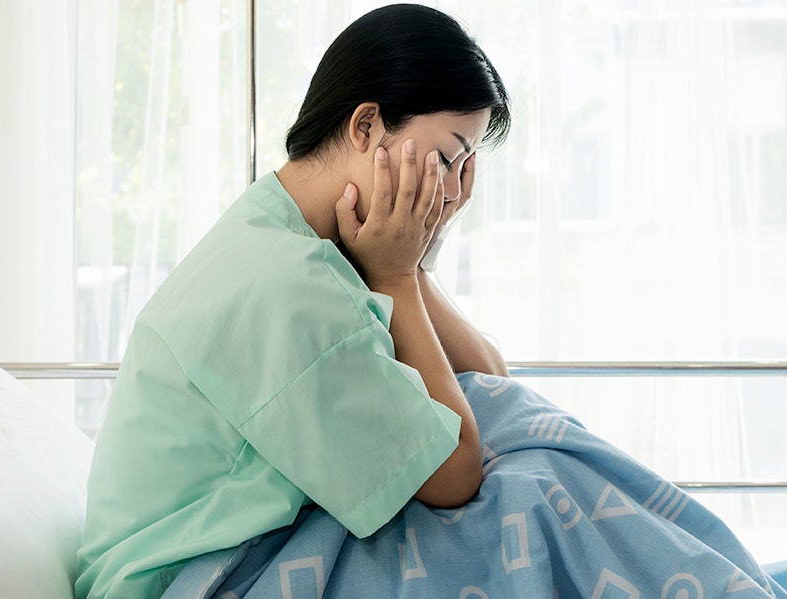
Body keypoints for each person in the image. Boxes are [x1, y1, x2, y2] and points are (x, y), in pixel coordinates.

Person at [75, 5, 512, 597]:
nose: (454, 189)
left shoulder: (300, 232)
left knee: (530, 466)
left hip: (224, 552)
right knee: (523, 503)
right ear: (366, 127)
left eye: (464, 167)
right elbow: (457, 473)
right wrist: (398, 274)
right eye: (446, 158)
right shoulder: (286, 280)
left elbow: (493, 388)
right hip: (188, 578)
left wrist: (417, 256)